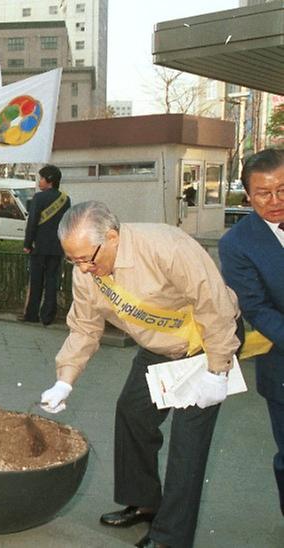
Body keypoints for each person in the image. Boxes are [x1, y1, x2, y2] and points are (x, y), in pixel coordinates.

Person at [39, 201, 242, 548]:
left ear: (113, 237)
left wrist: (217, 370)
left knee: (187, 444)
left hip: (205, 342)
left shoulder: (167, 246)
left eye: (89, 258)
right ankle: (145, 501)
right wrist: (65, 379)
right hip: (159, 346)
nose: (85, 269)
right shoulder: (86, 272)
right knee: (132, 412)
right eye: (74, 261)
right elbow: (85, 328)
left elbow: (214, 304)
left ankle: (170, 537)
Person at [219, 148, 284, 517]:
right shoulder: (237, 244)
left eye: (283, 190)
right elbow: (257, 309)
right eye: (263, 193)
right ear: (247, 195)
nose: (275, 202)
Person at [21, 164, 71, 326]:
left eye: (41, 178)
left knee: (36, 282)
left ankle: (32, 315)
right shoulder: (65, 199)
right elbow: (67, 224)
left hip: (39, 247)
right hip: (57, 248)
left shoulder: (39, 198)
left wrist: (28, 244)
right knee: (51, 282)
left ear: (49, 180)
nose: (39, 181)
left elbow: (33, 223)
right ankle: (48, 316)